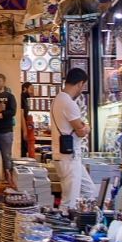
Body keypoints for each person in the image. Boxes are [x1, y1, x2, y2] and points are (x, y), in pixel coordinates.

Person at [51, 68, 94, 210]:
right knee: (69, 201)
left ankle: (82, 219)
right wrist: (87, 127)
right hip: (69, 157)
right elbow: (80, 130)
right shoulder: (69, 103)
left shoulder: (58, 99)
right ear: (80, 83)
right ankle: (65, 229)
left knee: (88, 190)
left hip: (65, 156)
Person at [20, 81, 35, 159]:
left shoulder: (25, 99)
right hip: (21, 129)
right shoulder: (21, 99)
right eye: (31, 90)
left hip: (24, 127)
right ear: (24, 89)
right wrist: (25, 131)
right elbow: (21, 115)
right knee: (22, 149)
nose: (32, 92)